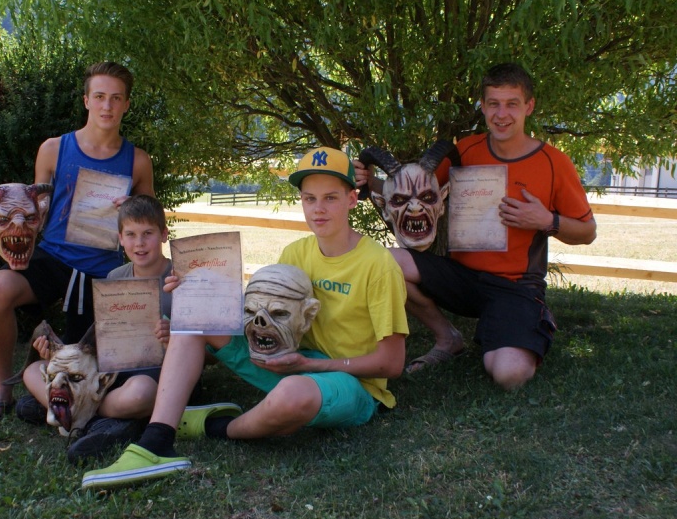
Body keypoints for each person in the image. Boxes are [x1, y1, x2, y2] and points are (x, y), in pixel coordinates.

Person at [80, 146, 409, 490]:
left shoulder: (378, 264)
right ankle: (156, 441)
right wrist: (198, 290)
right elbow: (262, 318)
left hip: (351, 383)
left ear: (352, 200)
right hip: (288, 362)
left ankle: (215, 427)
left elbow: (391, 363)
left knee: (291, 394)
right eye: (310, 198)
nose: (319, 209)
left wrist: (309, 365)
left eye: (330, 198)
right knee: (195, 315)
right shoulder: (295, 253)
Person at [355, 63, 597, 390]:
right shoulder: (465, 150)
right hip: (462, 276)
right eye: (493, 103)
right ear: (482, 106)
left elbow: (587, 232)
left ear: (529, 106)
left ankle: (528, 322)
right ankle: (447, 338)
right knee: (386, 261)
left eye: (512, 104)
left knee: (509, 375)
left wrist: (546, 221)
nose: (501, 114)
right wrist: (369, 182)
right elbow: (416, 197)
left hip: (515, 287)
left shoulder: (554, 163)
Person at [0, 62, 155, 422]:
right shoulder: (53, 149)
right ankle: (2, 389)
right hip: (53, 257)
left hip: (104, 271)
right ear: (86, 100)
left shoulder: (137, 161)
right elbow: (31, 211)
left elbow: (150, 219)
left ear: (126, 104)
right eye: (99, 96)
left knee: (85, 357)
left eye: (116, 98)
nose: (107, 106)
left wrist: (132, 207)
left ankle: (65, 401)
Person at [19, 195, 191, 463]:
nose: (139, 243)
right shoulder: (114, 278)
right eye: (130, 234)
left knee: (142, 393)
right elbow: (102, 342)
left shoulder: (180, 279)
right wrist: (52, 353)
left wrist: (174, 337)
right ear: (120, 238)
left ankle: (72, 412)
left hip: (155, 376)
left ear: (163, 234)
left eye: (148, 233)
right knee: (32, 371)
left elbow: (203, 353)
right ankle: (101, 418)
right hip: (111, 374)